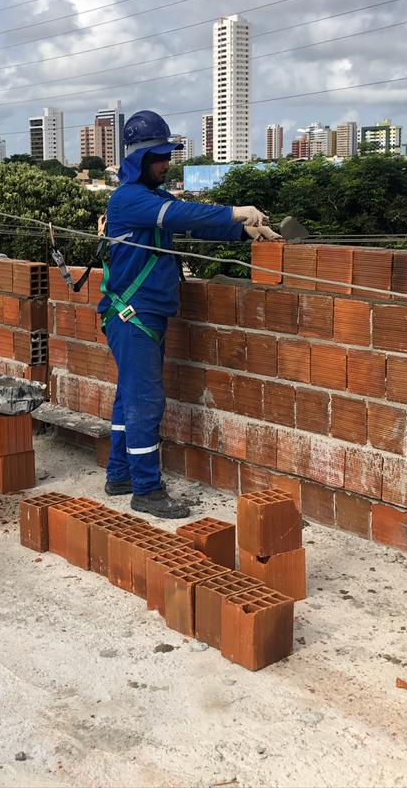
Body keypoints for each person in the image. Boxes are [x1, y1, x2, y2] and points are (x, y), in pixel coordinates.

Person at [99, 109, 280, 518]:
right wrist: (234, 210)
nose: (167, 163)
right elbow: (179, 216)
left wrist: (242, 231)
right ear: (140, 159)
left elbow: (194, 224)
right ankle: (146, 490)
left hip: (142, 312)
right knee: (145, 399)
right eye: (160, 156)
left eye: (168, 155)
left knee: (130, 394)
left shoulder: (151, 198)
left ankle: (120, 474)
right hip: (133, 313)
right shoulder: (129, 199)